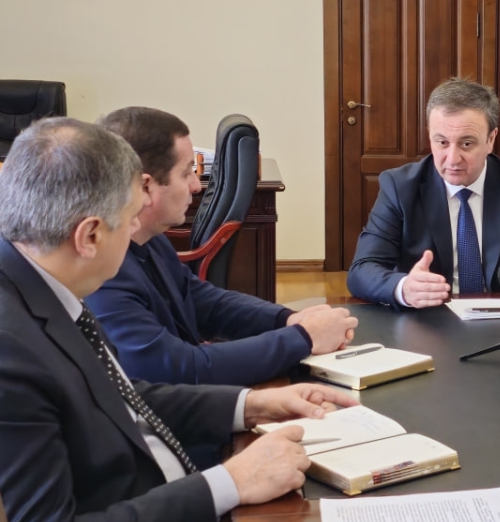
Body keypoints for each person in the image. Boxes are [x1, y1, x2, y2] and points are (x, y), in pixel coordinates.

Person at [0, 118, 358, 522]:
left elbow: (113, 396)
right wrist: (230, 482)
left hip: (159, 519)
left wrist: (252, 404)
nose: (139, 228)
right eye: (131, 216)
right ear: (90, 235)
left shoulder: (12, 273)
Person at [86, 107, 357, 385]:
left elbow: (199, 299)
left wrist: (287, 320)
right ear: (145, 187)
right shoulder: (101, 271)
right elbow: (178, 369)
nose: (196, 185)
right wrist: (303, 338)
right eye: (186, 173)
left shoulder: (149, 237)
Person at [347, 77, 500, 310]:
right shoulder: (400, 186)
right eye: (442, 142)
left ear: (491, 139)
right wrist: (404, 288)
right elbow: (362, 270)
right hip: (427, 319)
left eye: (466, 144)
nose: (452, 159)